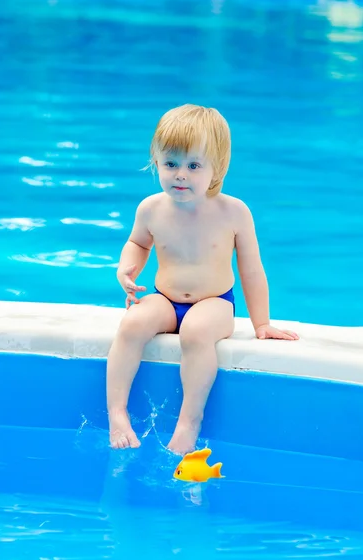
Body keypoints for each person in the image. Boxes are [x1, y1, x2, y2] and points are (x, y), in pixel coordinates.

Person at [107, 103, 299, 454]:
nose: (180, 174)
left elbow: (251, 270)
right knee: (132, 323)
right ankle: (117, 413)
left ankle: (188, 421)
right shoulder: (151, 208)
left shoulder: (233, 213)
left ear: (216, 168)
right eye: (171, 164)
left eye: (193, 165)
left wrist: (262, 323)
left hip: (215, 303)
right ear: (156, 162)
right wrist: (126, 269)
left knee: (195, 332)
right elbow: (137, 243)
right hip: (166, 300)